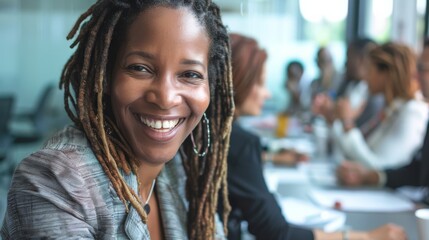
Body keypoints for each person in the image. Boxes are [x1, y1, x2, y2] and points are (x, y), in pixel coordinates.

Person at [1, 0, 235, 239]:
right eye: (140, 68)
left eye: (190, 74)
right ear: (106, 77)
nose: (165, 98)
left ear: (210, 88)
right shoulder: (56, 181)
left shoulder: (181, 172)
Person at [221, 33, 406, 240]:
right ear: (238, 82)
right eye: (261, 83)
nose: (268, 94)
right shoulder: (239, 142)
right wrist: (365, 237)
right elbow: (277, 233)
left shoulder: (220, 134)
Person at [337, 39, 429, 204]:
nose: (365, 77)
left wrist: (347, 123)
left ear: (387, 73)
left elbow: (380, 164)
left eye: (369, 70)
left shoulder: (413, 112)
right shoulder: (390, 109)